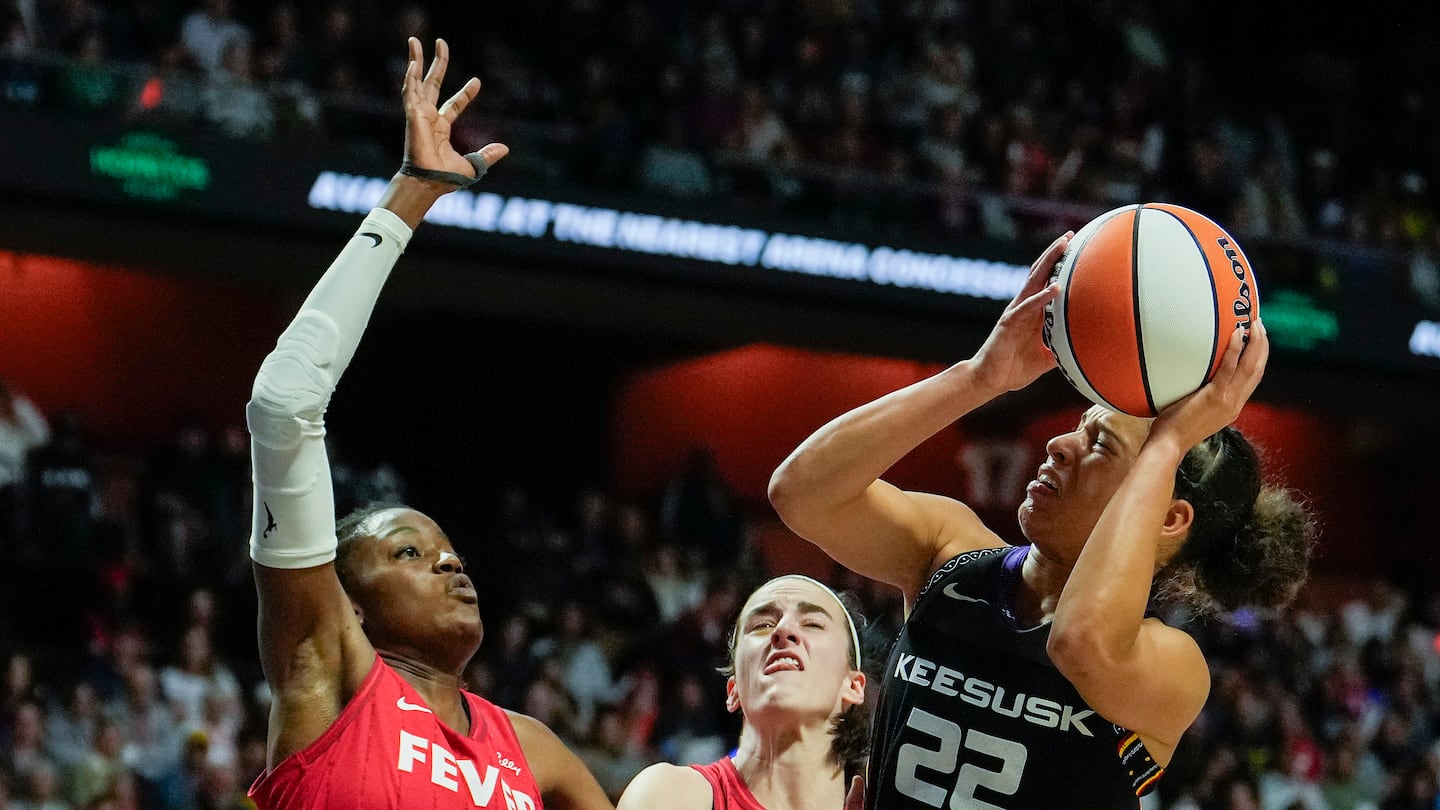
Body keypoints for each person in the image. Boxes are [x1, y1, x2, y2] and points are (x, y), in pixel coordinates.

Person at [767, 233, 1314, 808]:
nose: (1057, 444)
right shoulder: (950, 555)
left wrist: (1169, 442)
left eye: (1098, 445)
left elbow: (1078, 642)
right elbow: (801, 494)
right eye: (1078, 426)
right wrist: (980, 377)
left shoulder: (1174, 667)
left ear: (1169, 516)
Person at [244, 37, 611, 810]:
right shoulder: (328, 671)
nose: (451, 565)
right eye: (410, 552)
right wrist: (410, 196)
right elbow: (283, 402)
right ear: (347, 603)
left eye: (446, 552)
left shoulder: (533, 750)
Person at [617, 574, 869, 810]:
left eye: (813, 623)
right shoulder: (671, 796)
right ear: (733, 690)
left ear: (853, 686)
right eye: (762, 625)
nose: (783, 630)